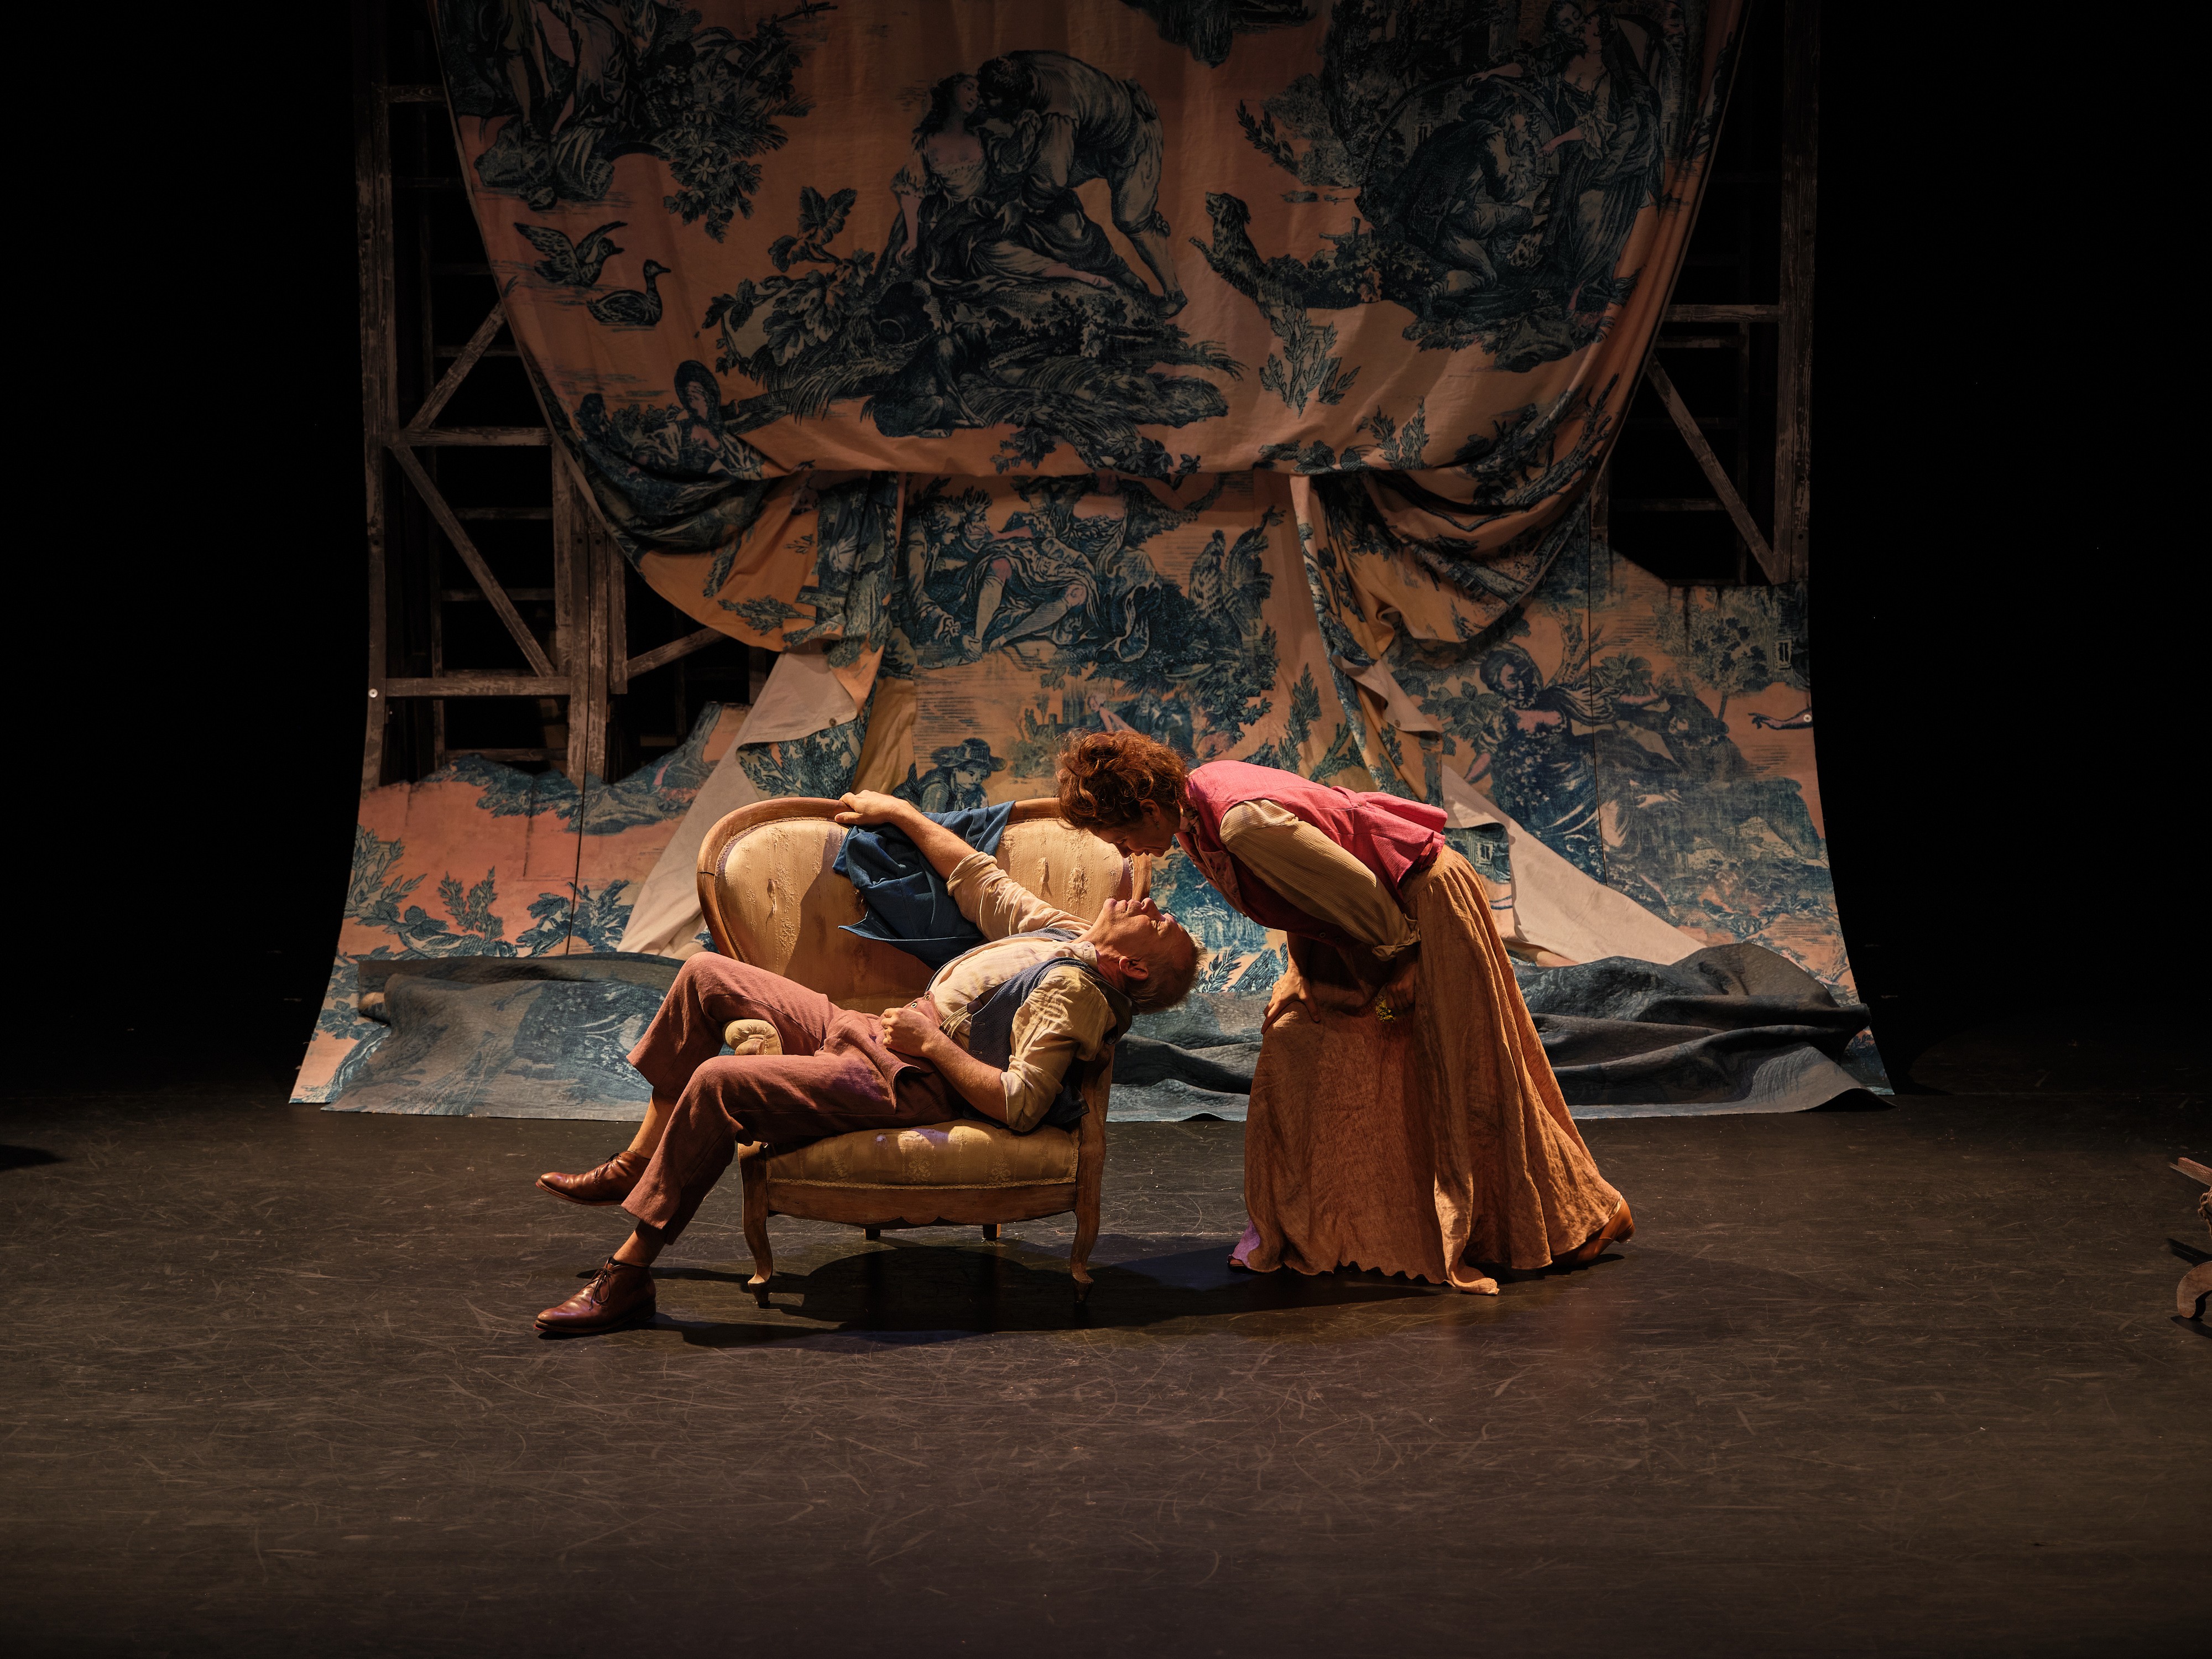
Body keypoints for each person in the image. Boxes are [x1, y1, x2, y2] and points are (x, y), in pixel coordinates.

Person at [532, 795, 1201, 1334]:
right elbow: (982, 883)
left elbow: (1021, 1103)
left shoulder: (1075, 991)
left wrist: (932, 1044)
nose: (1148, 904)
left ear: (1133, 967)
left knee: (716, 1083)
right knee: (704, 973)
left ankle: (630, 1274)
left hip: (909, 1078)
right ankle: (638, 1162)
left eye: (1158, 922)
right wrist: (903, 816)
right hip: (876, 1033)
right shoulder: (1068, 936)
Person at [1055, 731, 1632, 1293]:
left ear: (1150, 809)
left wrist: (1402, 963)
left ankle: (1583, 1215)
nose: (1126, 851)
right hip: (1356, 931)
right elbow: (1305, 889)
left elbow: (1357, 886)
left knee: (1465, 1071)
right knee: (1297, 1046)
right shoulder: (1193, 816)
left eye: (1122, 837)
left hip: (1414, 911)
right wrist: (1301, 972)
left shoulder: (1238, 820)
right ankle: (1333, 1226)